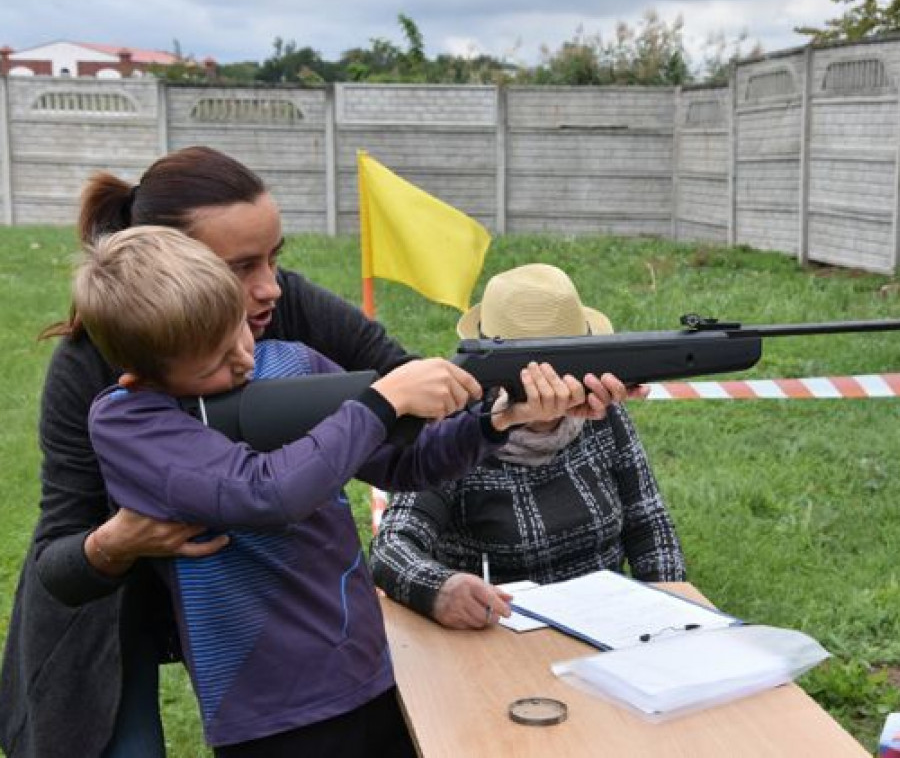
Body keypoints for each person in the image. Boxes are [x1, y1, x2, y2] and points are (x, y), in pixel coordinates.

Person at [0, 146, 628, 758]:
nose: (268, 292)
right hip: (219, 665)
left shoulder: (288, 349)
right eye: (242, 268)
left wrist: (507, 414)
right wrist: (120, 540)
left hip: (352, 660)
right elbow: (271, 487)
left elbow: (408, 441)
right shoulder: (116, 402)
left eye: (274, 259)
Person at [370, 264, 687, 630]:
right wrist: (441, 588)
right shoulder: (454, 429)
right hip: (497, 639)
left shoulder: (603, 414)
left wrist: (673, 615)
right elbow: (391, 548)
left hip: (612, 630)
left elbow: (649, 525)